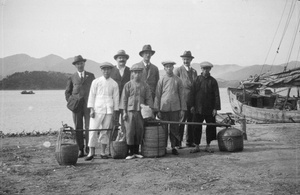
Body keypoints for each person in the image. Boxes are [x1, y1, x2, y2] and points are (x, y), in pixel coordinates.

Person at [85, 62, 119, 161]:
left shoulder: (114, 84)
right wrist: (91, 109)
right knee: (93, 130)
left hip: (109, 109)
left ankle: (103, 152)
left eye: (108, 69)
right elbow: (91, 96)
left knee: (105, 130)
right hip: (97, 109)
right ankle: (91, 152)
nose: (106, 71)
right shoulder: (96, 82)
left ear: (111, 70)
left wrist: (115, 112)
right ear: (101, 70)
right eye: (104, 69)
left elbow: (116, 99)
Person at [120, 63, 153, 160]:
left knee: (139, 130)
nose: (137, 74)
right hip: (130, 111)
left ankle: (136, 151)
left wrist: (148, 111)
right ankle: (130, 152)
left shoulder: (145, 86)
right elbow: (124, 100)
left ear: (142, 73)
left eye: (139, 72)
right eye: (135, 72)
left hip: (140, 112)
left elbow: (148, 99)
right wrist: (124, 112)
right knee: (130, 131)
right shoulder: (128, 85)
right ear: (132, 73)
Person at [65, 55, 95, 157]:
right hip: (76, 107)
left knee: (88, 127)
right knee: (78, 127)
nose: (80, 65)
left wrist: (93, 105)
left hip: (88, 106)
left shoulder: (91, 76)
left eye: (81, 63)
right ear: (75, 65)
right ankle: (80, 149)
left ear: (84, 64)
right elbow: (67, 92)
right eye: (78, 64)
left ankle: (88, 148)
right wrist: (72, 103)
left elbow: (94, 91)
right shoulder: (72, 77)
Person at [154, 61, 186, 155]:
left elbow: (182, 96)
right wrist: (157, 110)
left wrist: (182, 109)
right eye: (167, 67)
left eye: (170, 67)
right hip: (164, 108)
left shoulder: (178, 80)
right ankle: (163, 147)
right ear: (164, 68)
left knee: (174, 128)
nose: (169, 68)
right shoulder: (161, 80)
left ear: (173, 68)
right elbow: (157, 95)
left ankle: (174, 147)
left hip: (175, 109)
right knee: (164, 129)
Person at [190, 61, 221, 153]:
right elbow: (192, 93)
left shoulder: (213, 81)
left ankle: (208, 145)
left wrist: (215, 108)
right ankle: (196, 145)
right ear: (201, 69)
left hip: (210, 109)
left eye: (207, 69)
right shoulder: (196, 80)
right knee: (196, 127)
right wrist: (192, 105)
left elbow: (216, 95)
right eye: (204, 69)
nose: (205, 71)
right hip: (198, 108)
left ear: (210, 69)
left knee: (210, 127)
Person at [174, 51, 197, 148]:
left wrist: (194, 104)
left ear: (191, 60)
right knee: (181, 122)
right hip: (182, 100)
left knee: (191, 122)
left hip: (191, 101)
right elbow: (175, 87)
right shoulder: (178, 70)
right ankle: (178, 143)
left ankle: (189, 141)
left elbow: (196, 87)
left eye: (187, 59)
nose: (185, 61)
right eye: (184, 59)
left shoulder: (194, 71)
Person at [110, 50, 131, 134]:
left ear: (126, 59)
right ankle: (113, 143)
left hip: (126, 101)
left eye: (124, 58)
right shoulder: (111, 71)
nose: (122, 59)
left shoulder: (130, 71)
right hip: (114, 101)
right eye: (120, 58)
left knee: (125, 122)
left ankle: (124, 142)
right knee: (113, 122)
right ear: (116, 59)